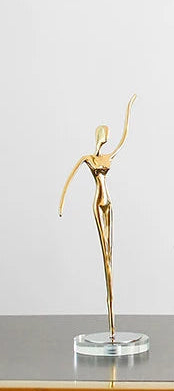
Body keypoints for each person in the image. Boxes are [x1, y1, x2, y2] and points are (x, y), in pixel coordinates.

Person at [58, 95, 136, 339]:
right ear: (97, 138)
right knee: (105, 250)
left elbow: (124, 138)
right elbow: (69, 180)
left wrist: (129, 108)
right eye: (102, 136)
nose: (105, 140)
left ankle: (113, 321)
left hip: (109, 202)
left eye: (106, 137)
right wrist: (61, 203)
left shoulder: (109, 156)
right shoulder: (88, 158)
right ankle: (109, 312)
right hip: (97, 202)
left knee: (111, 251)